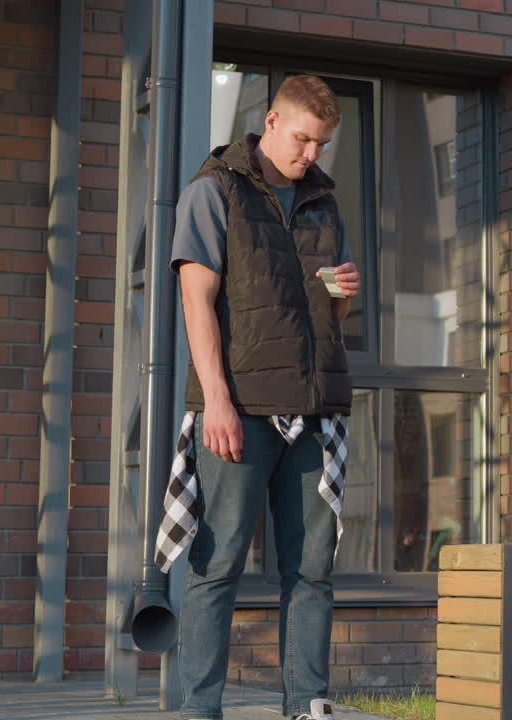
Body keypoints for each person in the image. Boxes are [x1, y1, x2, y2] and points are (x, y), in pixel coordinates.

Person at [155, 74, 358, 720]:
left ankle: (308, 703)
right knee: (217, 566)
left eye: (322, 144)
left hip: (313, 407)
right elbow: (197, 301)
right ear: (271, 122)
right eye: (303, 139)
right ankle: (201, 709)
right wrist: (215, 399)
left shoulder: (325, 204)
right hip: (239, 410)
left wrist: (342, 295)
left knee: (312, 568)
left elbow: (324, 318)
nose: (311, 155)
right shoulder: (216, 191)